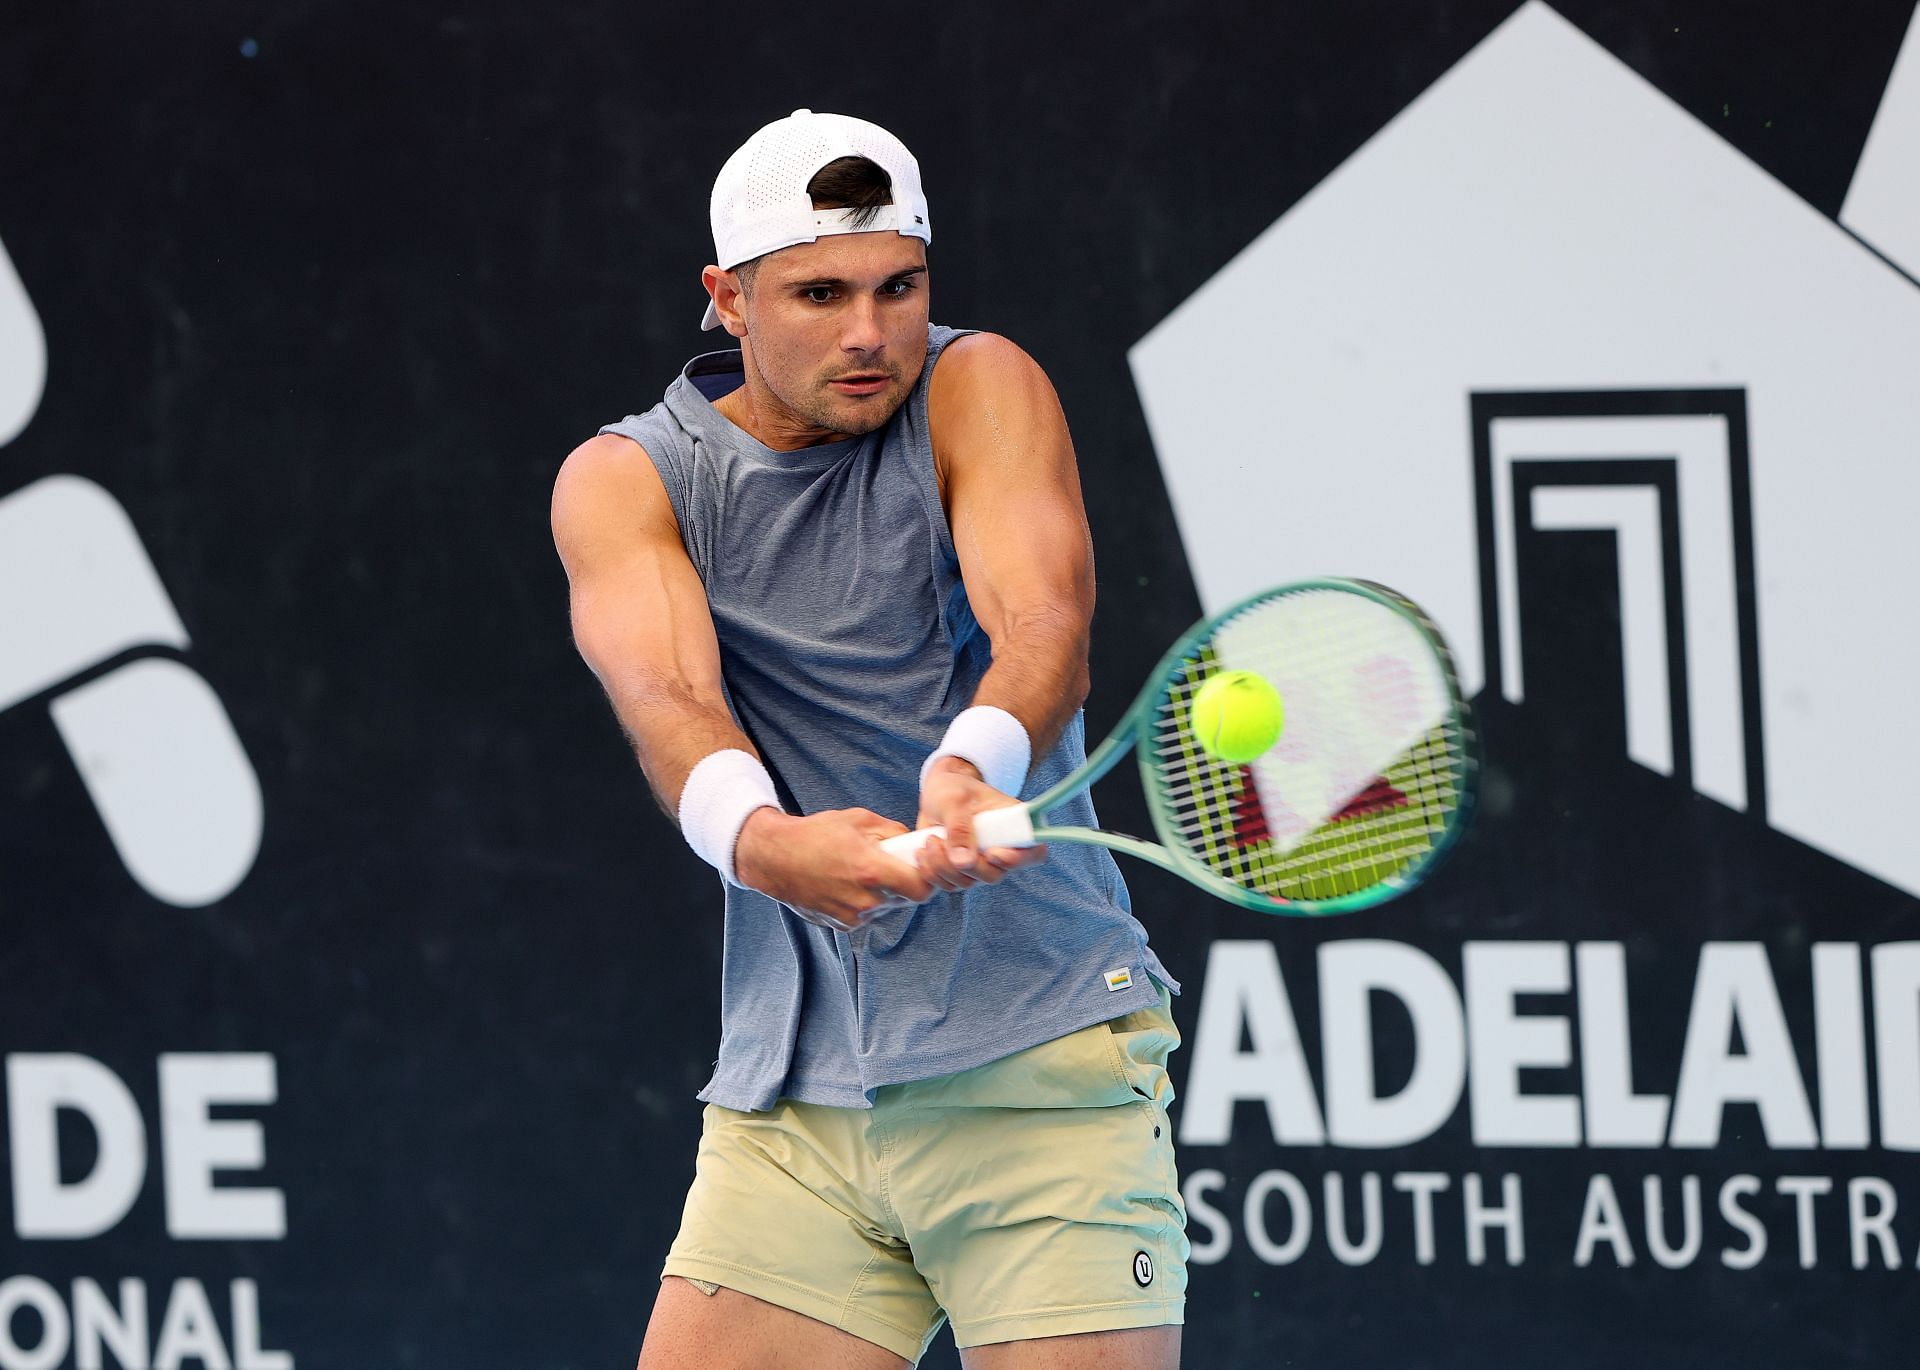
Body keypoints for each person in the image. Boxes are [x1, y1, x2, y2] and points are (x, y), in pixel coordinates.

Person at [551, 109, 1185, 1370]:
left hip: (1041, 1068)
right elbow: (670, 700)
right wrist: (768, 845)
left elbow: (1044, 619)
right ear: (726, 299)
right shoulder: (627, 479)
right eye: (820, 292)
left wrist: (974, 759)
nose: (869, 332)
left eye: (901, 287)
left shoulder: (978, 384)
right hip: (795, 1102)